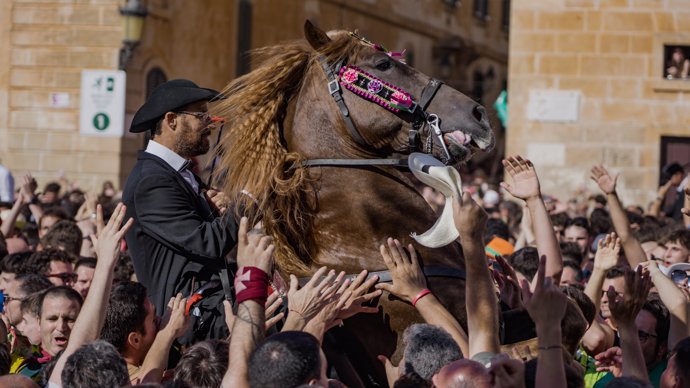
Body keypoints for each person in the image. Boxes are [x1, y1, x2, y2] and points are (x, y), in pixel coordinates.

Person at [122, 79, 237, 343]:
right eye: (201, 115)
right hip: (190, 320)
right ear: (171, 120)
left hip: (212, 305)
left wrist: (221, 208)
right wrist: (247, 199)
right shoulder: (152, 180)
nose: (210, 123)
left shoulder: (175, 173)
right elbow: (208, 243)